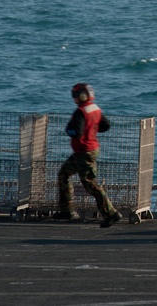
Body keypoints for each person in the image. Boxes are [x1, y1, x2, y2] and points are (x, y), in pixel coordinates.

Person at [55, 82, 123, 227]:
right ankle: (67, 209)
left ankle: (110, 213)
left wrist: (69, 131)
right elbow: (105, 126)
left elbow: (76, 132)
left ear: (81, 96)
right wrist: (91, 131)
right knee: (64, 173)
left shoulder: (80, 112)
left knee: (90, 185)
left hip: (84, 153)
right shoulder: (95, 108)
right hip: (87, 151)